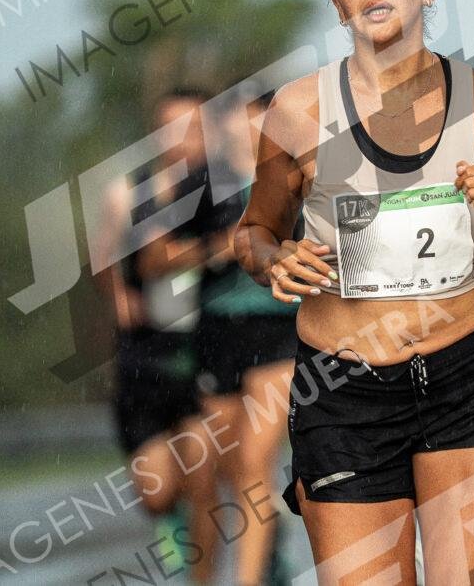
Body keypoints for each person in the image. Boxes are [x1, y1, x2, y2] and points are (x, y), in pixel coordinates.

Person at [234, 0, 474, 582]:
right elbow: (253, 232)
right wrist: (273, 259)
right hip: (343, 393)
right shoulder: (298, 110)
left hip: (467, 382)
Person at [96, 88, 228, 584]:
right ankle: (170, 517)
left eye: (192, 127)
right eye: (171, 127)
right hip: (145, 358)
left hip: (202, 353)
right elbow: (102, 256)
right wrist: (118, 295)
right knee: (157, 494)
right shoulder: (128, 191)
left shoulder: (224, 192)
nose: (181, 139)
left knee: (204, 482)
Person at [194, 91, 298, 585]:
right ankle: (266, 543)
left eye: (256, 120)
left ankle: (249, 579)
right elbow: (158, 256)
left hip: (277, 328)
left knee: (256, 461)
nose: (245, 129)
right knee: (228, 468)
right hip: (217, 331)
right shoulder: (200, 187)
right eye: (236, 119)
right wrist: (218, 248)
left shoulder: (294, 178)